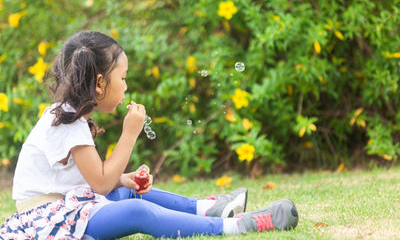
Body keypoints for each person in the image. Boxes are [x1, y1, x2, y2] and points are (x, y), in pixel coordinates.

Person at [0, 31, 298, 239]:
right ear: (100, 83)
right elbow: (100, 183)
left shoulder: (68, 114)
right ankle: (237, 227)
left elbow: (95, 180)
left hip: (68, 207)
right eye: (124, 78)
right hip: (50, 221)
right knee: (138, 211)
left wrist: (123, 178)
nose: (126, 87)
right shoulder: (68, 123)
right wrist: (129, 133)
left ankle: (208, 208)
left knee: (129, 192)